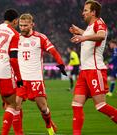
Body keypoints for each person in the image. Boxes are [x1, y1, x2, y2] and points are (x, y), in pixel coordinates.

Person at [69, 0, 117, 134]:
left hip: (94, 70)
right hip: (84, 71)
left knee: (101, 106)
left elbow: (101, 36)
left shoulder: (99, 23)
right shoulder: (91, 27)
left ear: (93, 12)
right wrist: (80, 32)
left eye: (86, 10)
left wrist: (83, 38)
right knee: (76, 105)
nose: (82, 13)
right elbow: (91, 35)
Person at [15, 13, 67, 135]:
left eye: (25, 25)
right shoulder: (16, 38)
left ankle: (49, 126)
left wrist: (60, 64)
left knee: (43, 108)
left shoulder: (40, 38)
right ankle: (19, 132)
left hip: (35, 79)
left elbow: (53, 51)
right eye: (20, 25)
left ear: (32, 24)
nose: (22, 28)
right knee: (16, 106)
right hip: (21, 79)